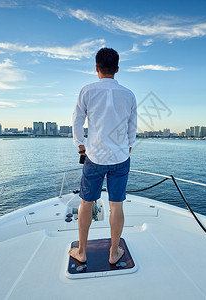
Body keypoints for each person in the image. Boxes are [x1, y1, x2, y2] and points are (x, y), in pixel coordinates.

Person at [69, 47, 137, 265]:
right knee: (117, 205)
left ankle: (82, 251)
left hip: (94, 157)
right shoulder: (128, 94)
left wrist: (81, 147)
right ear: (117, 69)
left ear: (96, 68)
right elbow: (131, 128)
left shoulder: (86, 91)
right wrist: (127, 149)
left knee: (86, 203)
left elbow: (77, 121)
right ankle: (114, 251)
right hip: (120, 158)